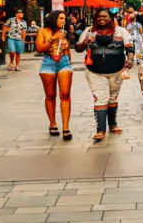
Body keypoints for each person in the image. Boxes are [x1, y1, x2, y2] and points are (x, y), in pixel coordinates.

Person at [76, 8, 134, 142]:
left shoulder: (121, 31)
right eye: (99, 17)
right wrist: (85, 42)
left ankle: (113, 124)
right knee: (101, 98)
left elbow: (129, 47)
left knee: (112, 98)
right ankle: (100, 130)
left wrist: (130, 59)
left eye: (105, 16)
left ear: (111, 18)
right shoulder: (90, 31)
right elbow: (78, 48)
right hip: (94, 71)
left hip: (116, 71)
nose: (101, 19)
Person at [36, 10, 73, 141]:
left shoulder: (65, 32)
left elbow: (67, 48)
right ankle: (52, 123)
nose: (63, 21)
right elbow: (39, 48)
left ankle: (66, 128)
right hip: (48, 63)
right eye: (61, 18)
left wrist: (68, 58)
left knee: (65, 94)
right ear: (53, 19)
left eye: (64, 18)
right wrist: (53, 38)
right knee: (50, 95)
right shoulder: (43, 31)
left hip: (63, 62)